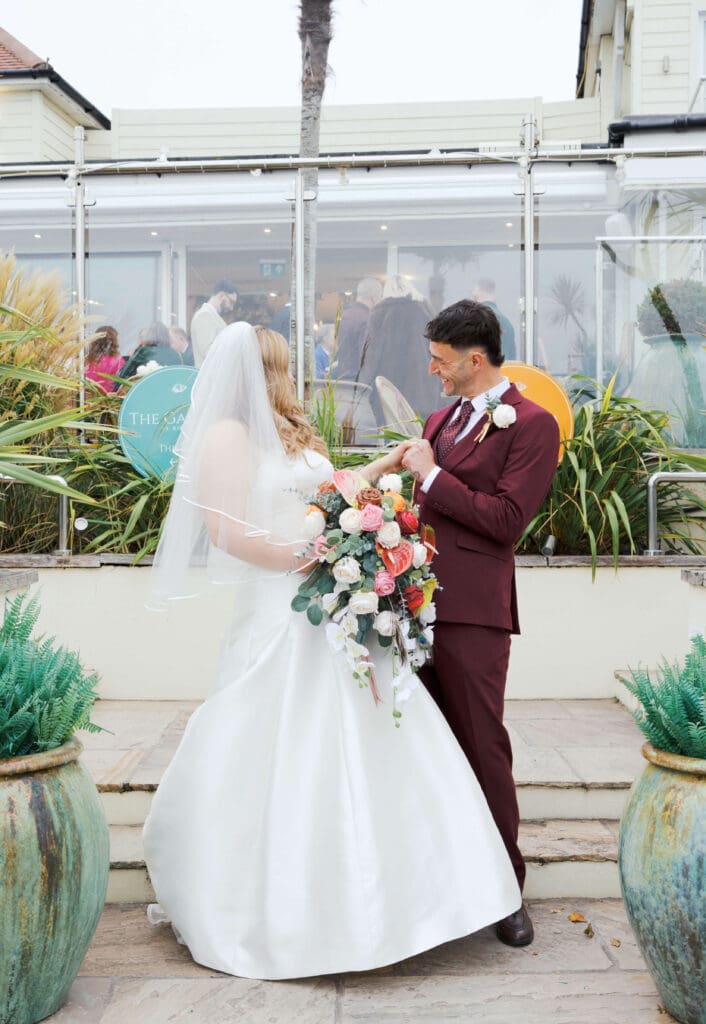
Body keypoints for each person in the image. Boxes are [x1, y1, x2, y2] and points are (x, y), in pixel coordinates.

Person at [142, 322, 520, 980]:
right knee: (281, 739)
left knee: (380, 736)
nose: (286, 378)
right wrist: (308, 556)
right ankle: (288, 909)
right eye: (279, 368)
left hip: (334, 603)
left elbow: (322, 494)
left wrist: (372, 487)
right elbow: (228, 533)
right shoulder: (227, 436)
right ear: (260, 371)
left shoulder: (285, 430)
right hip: (284, 607)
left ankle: (418, 897)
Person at [401, 299, 559, 948]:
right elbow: (422, 507)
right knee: (426, 752)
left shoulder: (531, 424)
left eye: (440, 362)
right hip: (413, 606)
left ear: (474, 359)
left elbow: (502, 521)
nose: (433, 372)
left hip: (473, 613)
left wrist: (431, 475)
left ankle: (505, 893)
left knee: (481, 747)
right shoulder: (437, 418)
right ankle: (442, 886)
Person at [357, 275, 443, 424]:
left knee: (391, 438)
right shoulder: (426, 310)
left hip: (388, 393)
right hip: (423, 389)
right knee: (420, 435)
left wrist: (363, 388)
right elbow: (439, 349)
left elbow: (371, 356)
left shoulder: (381, 312)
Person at [334, 277, 382, 381]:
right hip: (358, 381)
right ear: (374, 297)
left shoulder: (345, 316)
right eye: (380, 297)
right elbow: (366, 358)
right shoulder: (368, 319)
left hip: (343, 378)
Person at [190, 280, 238, 366]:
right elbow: (208, 352)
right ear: (221, 295)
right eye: (231, 302)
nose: (231, 308)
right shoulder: (204, 315)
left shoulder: (211, 315)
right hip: (211, 377)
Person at [118, 321, 183, 380]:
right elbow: (179, 377)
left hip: (145, 389)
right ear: (167, 336)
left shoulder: (144, 351)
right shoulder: (175, 354)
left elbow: (124, 374)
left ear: (149, 335)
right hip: (169, 390)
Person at [472, 279, 517, 361]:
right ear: (494, 295)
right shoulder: (507, 323)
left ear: (476, 294)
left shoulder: (475, 319)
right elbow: (512, 357)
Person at [84, 325, 125, 391]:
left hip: (86, 396)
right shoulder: (119, 362)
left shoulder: (87, 359)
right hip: (107, 398)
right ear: (114, 342)